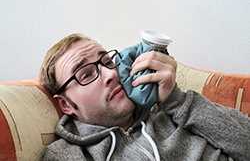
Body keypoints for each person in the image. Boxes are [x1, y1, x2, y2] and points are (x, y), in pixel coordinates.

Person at [40, 33, 250, 161]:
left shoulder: (176, 109)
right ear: (65, 104)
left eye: (108, 62)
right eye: (86, 74)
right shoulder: (66, 155)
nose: (111, 74)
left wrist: (177, 101)